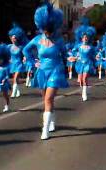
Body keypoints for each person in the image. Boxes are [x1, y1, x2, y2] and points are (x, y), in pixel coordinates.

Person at [23, 1, 69, 140]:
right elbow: (25, 50)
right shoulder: (37, 40)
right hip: (42, 72)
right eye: (45, 29)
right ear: (41, 27)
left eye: (50, 29)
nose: (47, 32)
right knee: (46, 100)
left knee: (49, 98)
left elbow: (65, 55)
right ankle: (52, 120)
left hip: (55, 70)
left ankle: (45, 130)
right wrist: (32, 62)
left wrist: (68, 62)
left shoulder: (59, 41)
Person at [73, 18, 96, 101]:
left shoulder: (90, 47)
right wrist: (76, 56)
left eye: (86, 38)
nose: (85, 39)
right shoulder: (78, 46)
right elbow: (74, 51)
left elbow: (93, 55)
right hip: (80, 63)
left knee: (85, 77)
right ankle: (83, 89)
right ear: (81, 38)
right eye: (84, 37)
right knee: (81, 81)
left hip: (87, 63)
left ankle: (84, 93)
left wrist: (95, 57)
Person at [8, 24, 28, 98]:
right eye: (13, 38)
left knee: (15, 78)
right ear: (11, 38)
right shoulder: (9, 47)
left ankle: (13, 92)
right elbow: (6, 55)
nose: (14, 39)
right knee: (14, 78)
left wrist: (25, 58)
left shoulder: (21, 47)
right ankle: (18, 91)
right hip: (12, 64)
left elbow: (25, 54)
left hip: (19, 63)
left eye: (15, 38)